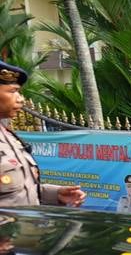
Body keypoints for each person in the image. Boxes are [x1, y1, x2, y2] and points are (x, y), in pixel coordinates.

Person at [0, 60, 86, 208]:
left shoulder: (8, 135)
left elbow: (15, 190)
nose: (21, 99)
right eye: (13, 91)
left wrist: (55, 193)